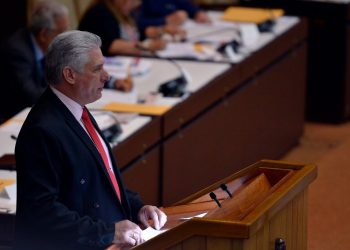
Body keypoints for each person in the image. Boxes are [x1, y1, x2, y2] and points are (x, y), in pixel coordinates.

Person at [14, 30, 167, 250]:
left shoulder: (78, 110)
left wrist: (137, 209)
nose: (107, 76)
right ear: (70, 75)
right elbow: (42, 212)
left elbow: (103, 180)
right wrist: (109, 232)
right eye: (97, 69)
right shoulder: (42, 130)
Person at [0, 0, 69, 121]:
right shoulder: (17, 51)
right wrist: (66, 90)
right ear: (43, 34)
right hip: (15, 118)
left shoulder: (47, 45)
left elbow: (72, 69)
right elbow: (30, 95)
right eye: (61, 32)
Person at [78, 0, 169, 56]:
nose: (136, 4)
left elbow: (136, 33)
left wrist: (161, 31)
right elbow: (111, 45)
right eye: (133, 1)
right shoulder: (100, 12)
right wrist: (148, 46)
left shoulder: (120, 12)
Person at [138, 0, 211, 32]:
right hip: (151, 39)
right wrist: (165, 20)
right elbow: (139, 23)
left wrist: (197, 13)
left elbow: (186, 5)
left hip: (174, 34)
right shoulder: (143, 2)